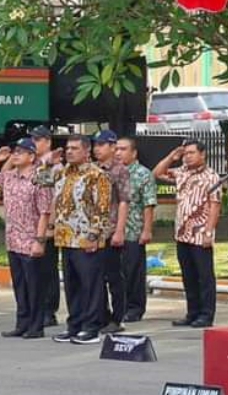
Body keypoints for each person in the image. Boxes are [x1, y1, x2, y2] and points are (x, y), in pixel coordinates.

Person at [0, 138, 52, 339]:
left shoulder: (42, 175)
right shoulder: (10, 175)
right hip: (13, 239)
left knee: (34, 286)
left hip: (31, 240)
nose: (16, 154)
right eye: (15, 151)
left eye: (21, 152)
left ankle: (36, 326)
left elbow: (45, 211)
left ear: (31, 156)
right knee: (20, 285)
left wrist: (40, 240)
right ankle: (22, 323)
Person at [153, 139, 222, 328]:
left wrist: (209, 232)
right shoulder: (182, 172)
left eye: (192, 153)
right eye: (186, 153)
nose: (188, 156)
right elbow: (157, 173)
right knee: (188, 275)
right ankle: (192, 312)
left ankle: (206, 314)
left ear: (203, 154)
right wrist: (171, 157)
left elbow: (215, 206)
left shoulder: (211, 177)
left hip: (200, 234)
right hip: (182, 233)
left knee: (204, 276)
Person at [51, 135, 112, 345]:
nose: (69, 152)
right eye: (68, 148)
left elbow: (102, 207)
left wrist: (94, 235)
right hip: (66, 238)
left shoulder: (97, 175)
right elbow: (38, 181)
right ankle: (74, 325)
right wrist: (47, 161)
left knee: (91, 285)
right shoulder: (62, 173)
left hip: (86, 237)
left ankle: (92, 327)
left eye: (75, 148)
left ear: (87, 152)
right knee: (72, 285)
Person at [115, 136, 158, 323]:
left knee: (133, 272)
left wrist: (146, 230)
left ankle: (135, 308)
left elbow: (148, 204)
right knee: (118, 272)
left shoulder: (142, 174)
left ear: (133, 153)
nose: (118, 153)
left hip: (134, 230)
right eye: (116, 149)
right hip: (114, 231)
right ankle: (120, 307)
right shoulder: (113, 172)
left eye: (123, 149)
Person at [92, 130, 131, 334]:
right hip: (94, 231)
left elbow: (124, 201)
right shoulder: (93, 169)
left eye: (101, 144)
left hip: (111, 229)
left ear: (112, 146)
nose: (97, 148)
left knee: (114, 277)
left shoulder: (119, 170)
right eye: (95, 145)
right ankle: (101, 315)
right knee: (96, 277)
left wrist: (119, 231)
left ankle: (117, 317)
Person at [28, 125, 63, 328]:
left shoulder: (55, 166)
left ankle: (49, 311)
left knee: (48, 270)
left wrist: (50, 224)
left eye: (37, 140)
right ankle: (38, 308)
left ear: (48, 141)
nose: (34, 143)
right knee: (36, 271)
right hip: (32, 225)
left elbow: (53, 198)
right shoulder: (36, 164)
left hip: (48, 225)